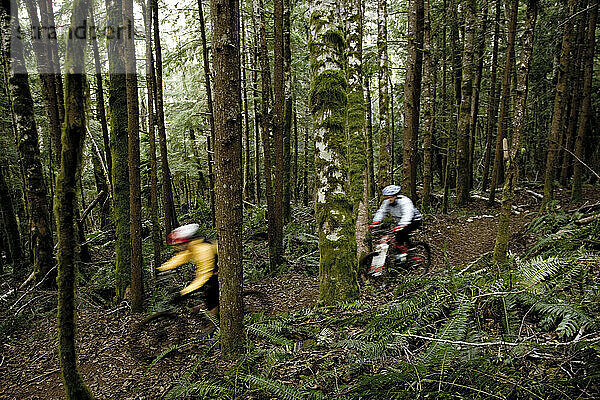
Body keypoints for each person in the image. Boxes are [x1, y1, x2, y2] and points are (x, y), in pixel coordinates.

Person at [157, 223, 219, 317]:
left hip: (216, 275)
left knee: (211, 295)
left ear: (185, 242)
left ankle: (215, 322)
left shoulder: (204, 249)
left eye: (178, 245)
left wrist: (184, 293)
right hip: (210, 274)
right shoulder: (193, 246)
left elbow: (204, 276)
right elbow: (181, 257)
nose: (177, 248)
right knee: (207, 293)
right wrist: (162, 268)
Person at [369, 184, 422, 253]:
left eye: (391, 197)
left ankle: (410, 252)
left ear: (396, 196)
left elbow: (408, 213)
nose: (389, 199)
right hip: (401, 221)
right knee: (398, 237)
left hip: (414, 220)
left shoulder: (405, 201)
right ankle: (405, 249)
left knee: (400, 235)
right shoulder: (387, 202)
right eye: (388, 197)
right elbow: (381, 212)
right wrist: (375, 222)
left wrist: (402, 225)